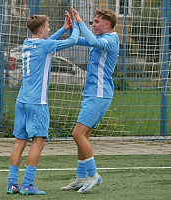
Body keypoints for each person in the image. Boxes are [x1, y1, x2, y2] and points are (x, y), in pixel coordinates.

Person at [6, 11, 80, 195]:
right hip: (37, 103)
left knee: (19, 142)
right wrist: (76, 26)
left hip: (22, 100)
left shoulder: (27, 43)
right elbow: (73, 41)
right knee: (38, 142)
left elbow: (48, 42)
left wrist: (63, 29)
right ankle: (28, 185)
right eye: (47, 27)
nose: (49, 30)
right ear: (41, 29)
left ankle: (12, 184)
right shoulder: (45, 45)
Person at [60, 8, 119, 193]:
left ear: (107, 24)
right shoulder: (100, 40)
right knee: (82, 136)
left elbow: (92, 40)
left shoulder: (110, 39)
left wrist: (80, 21)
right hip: (93, 94)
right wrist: (73, 27)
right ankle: (81, 177)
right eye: (92, 22)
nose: (93, 24)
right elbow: (77, 40)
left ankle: (94, 175)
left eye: (96, 22)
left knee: (77, 134)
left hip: (99, 95)